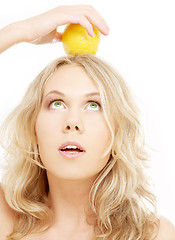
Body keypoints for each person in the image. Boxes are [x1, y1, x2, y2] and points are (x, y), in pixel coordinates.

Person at [0, 5, 174, 240]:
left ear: (117, 133)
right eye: (57, 104)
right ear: (33, 129)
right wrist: (21, 30)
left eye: (94, 105)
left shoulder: (154, 234)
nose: (72, 122)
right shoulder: (7, 221)